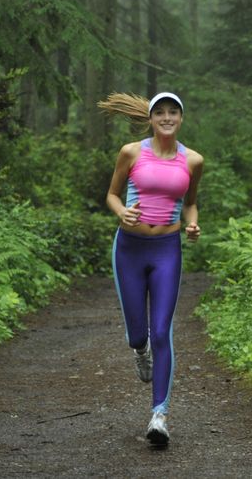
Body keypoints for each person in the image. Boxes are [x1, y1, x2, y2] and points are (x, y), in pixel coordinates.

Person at [100, 91, 203, 447]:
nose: (167, 117)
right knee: (138, 334)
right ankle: (138, 351)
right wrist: (121, 212)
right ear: (150, 118)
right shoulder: (132, 152)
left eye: (173, 112)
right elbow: (112, 194)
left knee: (162, 332)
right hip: (128, 249)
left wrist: (192, 224)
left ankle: (159, 414)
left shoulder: (192, 160)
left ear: (181, 118)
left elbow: (191, 204)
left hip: (166, 251)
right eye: (160, 112)